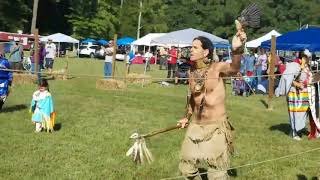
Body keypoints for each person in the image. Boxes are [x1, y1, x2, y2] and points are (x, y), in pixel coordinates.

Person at [177, 28, 246, 179]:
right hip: (195, 125)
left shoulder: (217, 68)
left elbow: (234, 69)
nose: (191, 50)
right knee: (186, 169)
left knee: (216, 173)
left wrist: (237, 50)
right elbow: (192, 99)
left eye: (195, 47)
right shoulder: (191, 72)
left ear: (206, 52)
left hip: (216, 128)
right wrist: (186, 117)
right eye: (191, 47)